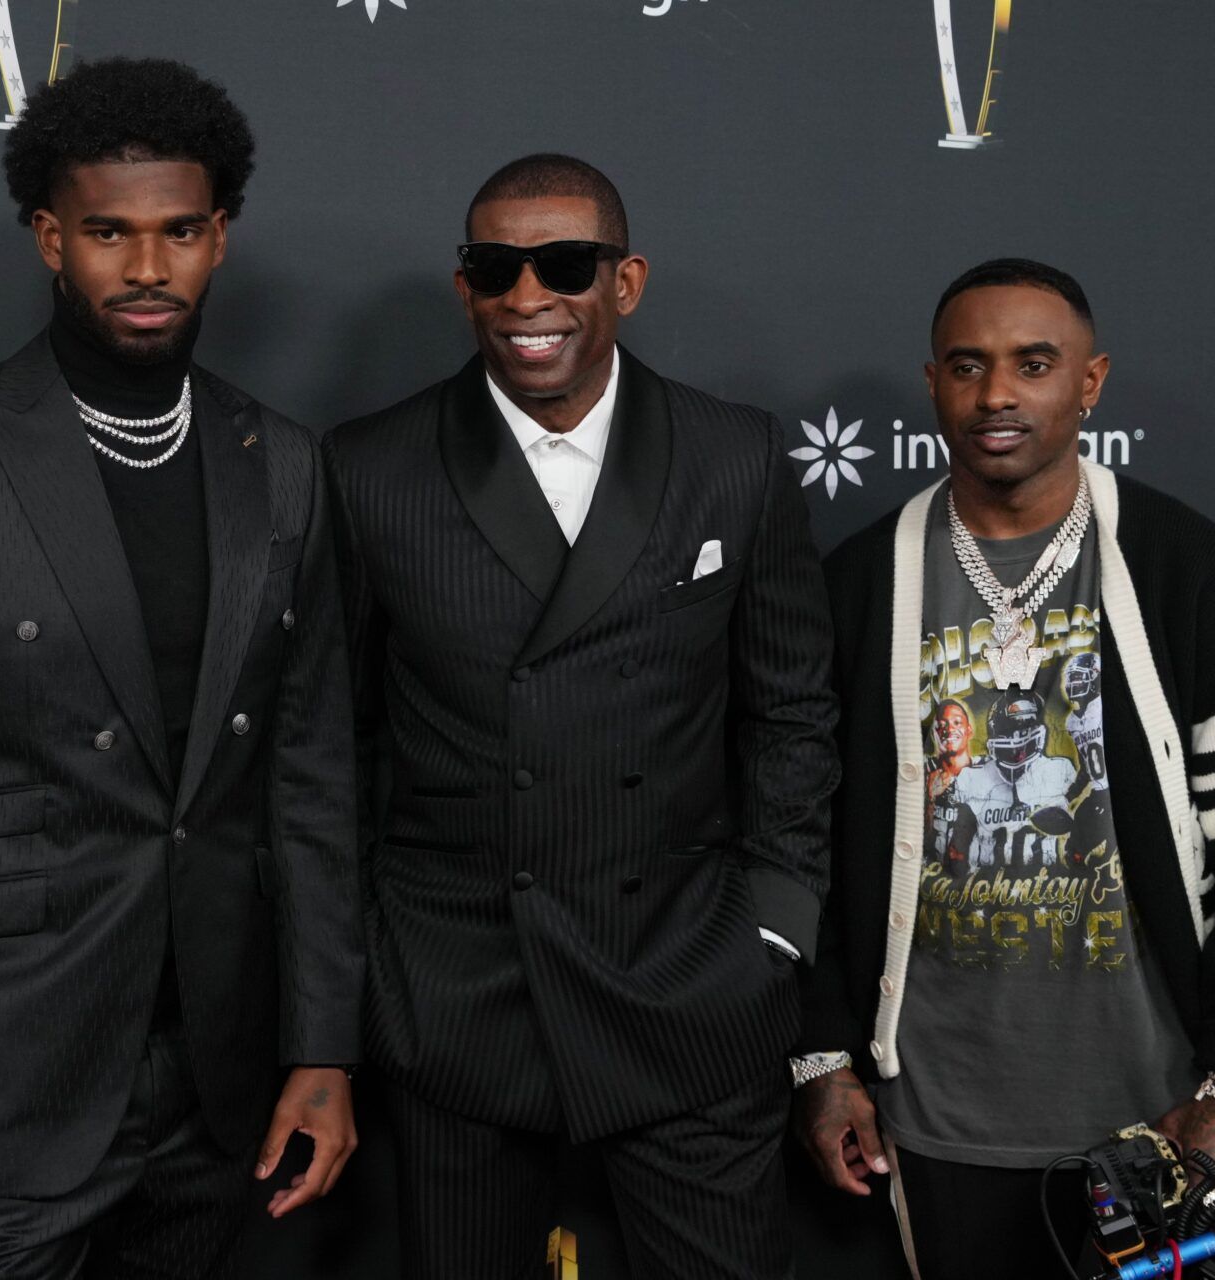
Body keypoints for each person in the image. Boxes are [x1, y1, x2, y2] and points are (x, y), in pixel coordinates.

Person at [0, 58, 361, 1280]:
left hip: (216, 1090)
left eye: (178, 232)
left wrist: (322, 1046)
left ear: (221, 239)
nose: (146, 269)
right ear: (51, 238)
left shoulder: (287, 465)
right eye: (108, 232)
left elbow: (307, 783)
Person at [322, 154, 838, 1279]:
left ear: (626, 281)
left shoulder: (735, 455)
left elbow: (791, 714)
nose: (526, 297)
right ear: (463, 286)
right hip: (459, 1000)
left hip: (691, 987)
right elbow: (336, 744)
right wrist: (370, 963)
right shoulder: (369, 469)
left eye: (562, 265)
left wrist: (776, 929)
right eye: (493, 268)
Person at [794, 259, 1215, 1280]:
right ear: (933, 384)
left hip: (1159, 1122)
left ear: (1089, 383)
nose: (998, 393)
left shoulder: (1193, 573)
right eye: (969, 365)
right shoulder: (861, 586)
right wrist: (823, 1059)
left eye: (1033, 364)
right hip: (934, 1122)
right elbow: (802, 844)